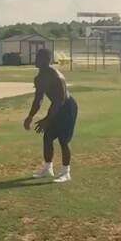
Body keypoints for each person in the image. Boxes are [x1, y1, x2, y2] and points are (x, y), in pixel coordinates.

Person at [24, 48, 78, 183]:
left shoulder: (56, 77)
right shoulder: (39, 78)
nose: (36, 59)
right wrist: (30, 116)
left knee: (63, 140)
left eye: (40, 57)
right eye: (36, 57)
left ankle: (66, 172)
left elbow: (60, 101)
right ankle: (48, 169)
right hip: (56, 106)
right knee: (47, 138)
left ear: (47, 60)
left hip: (67, 107)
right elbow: (38, 99)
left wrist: (47, 119)